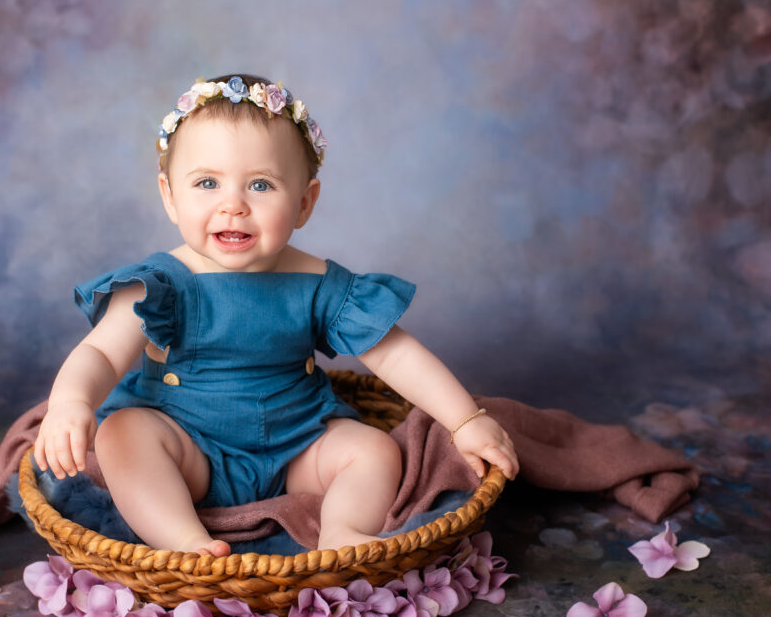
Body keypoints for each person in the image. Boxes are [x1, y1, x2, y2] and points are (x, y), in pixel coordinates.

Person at [34, 74, 519, 557]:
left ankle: (342, 531)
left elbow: (396, 355)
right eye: (207, 183)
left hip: (298, 447)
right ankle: (184, 541)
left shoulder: (318, 283)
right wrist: (70, 403)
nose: (233, 206)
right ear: (169, 196)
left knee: (373, 450)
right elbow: (99, 351)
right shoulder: (161, 282)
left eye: (261, 185)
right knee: (123, 434)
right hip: (187, 449)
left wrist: (465, 420)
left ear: (304, 202)